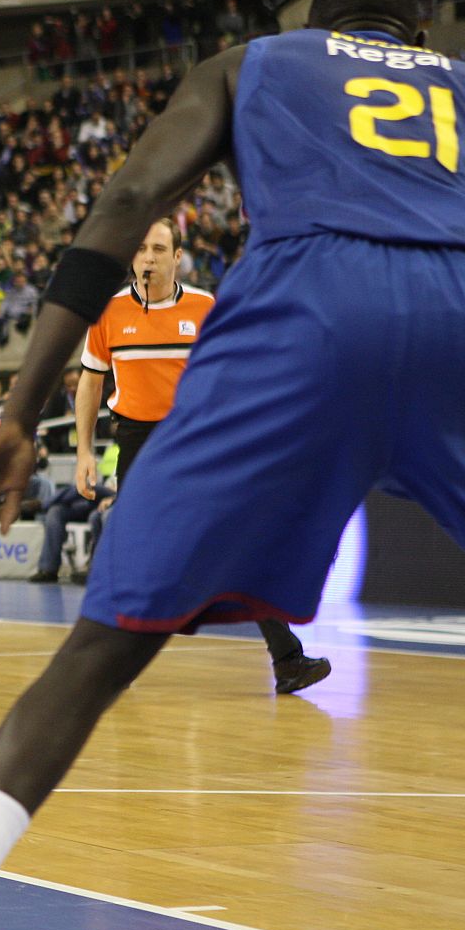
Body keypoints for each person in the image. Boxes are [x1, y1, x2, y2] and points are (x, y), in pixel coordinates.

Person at [0, 0, 465, 930]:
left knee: (101, 647)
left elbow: (128, 198)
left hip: (311, 303)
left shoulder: (253, 61)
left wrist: (18, 411)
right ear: (418, 36)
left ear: (317, 26)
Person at [72, 219, 330, 692]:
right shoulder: (107, 314)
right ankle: (108, 662)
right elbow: (91, 382)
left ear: (178, 257)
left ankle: (288, 660)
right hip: (136, 441)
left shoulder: (204, 307)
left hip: (198, 438)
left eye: (159, 249)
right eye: (141, 249)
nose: (148, 257)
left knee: (240, 545)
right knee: (135, 555)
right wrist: (84, 451)